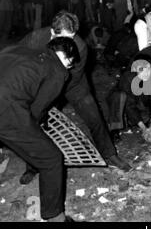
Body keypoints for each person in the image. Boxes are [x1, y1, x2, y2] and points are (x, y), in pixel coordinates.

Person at [0, 37, 80, 222]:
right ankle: (55, 217)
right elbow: (37, 109)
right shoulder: (58, 70)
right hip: (4, 109)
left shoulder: (16, 49)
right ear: (68, 59)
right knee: (51, 158)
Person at [18, 11, 131, 185]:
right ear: (54, 32)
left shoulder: (80, 45)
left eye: (73, 36)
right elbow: (20, 59)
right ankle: (32, 166)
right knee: (33, 120)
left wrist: (54, 97)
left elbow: (74, 76)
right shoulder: (35, 39)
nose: (72, 42)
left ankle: (110, 155)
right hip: (43, 86)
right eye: (67, 37)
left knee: (95, 118)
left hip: (73, 85)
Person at [106, 56, 151, 144]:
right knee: (119, 96)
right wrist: (143, 127)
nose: (146, 74)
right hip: (122, 101)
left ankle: (142, 123)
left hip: (140, 99)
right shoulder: (127, 78)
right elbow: (129, 105)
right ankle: (114, 129)